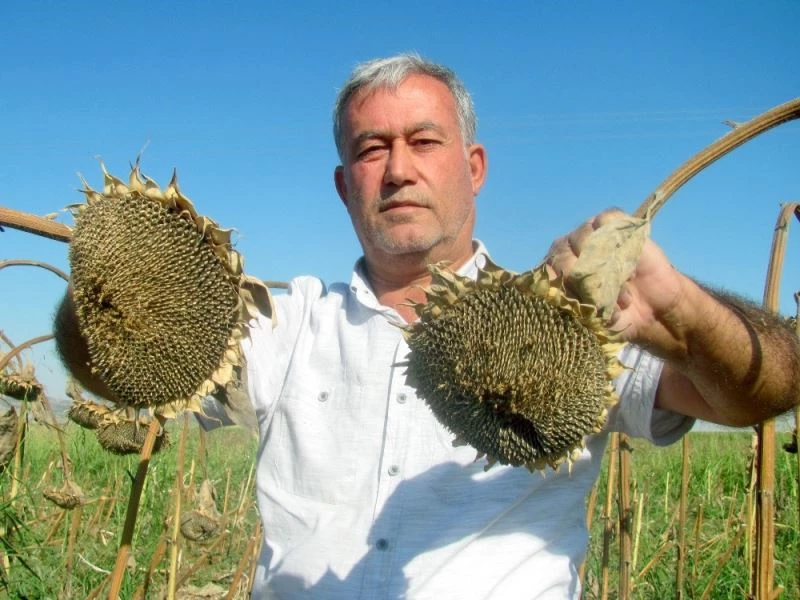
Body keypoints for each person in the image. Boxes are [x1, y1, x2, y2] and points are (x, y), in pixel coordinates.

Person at [55, 54, 800, 599]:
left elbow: (765, 392)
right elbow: (126, 362)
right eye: (371, 149)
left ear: (473, 166)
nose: (398, 169)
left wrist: (687, 318)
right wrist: (111, 292)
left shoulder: (568, 327)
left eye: (424, 141)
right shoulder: (286, 325)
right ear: (345, 186)